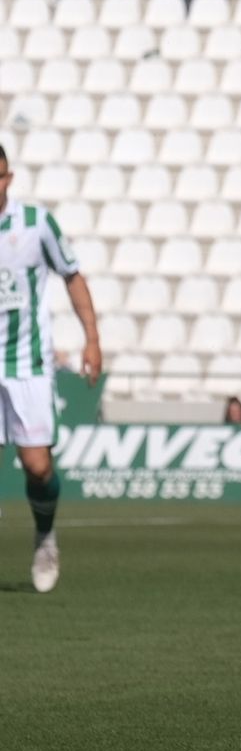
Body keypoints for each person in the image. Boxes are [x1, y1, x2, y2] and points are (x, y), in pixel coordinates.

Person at [0, 144, 103, 594]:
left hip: (27, 362)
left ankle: (45, 536)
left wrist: (92, 339)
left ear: (10, 177)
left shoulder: (36, 224)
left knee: (37, 465)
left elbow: (72, 275)